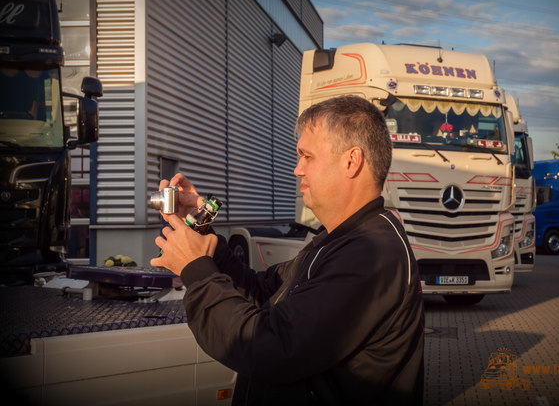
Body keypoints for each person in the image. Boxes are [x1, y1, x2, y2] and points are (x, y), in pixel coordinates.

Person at [151, 95, 424, 405]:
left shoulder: (371, 254)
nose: (297, 170)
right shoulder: (338, 241)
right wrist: (201, 229)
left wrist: (197, 271)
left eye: (306, 156)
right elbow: (262, 292)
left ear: (351, 161)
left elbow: (273, 348)